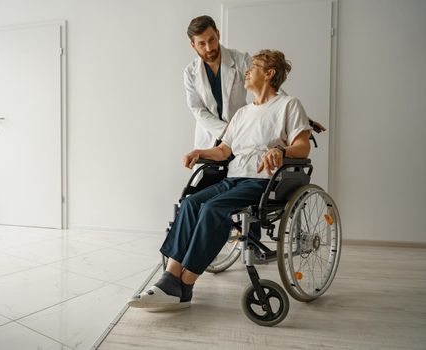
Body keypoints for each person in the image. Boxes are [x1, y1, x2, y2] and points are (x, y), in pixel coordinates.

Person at [128, 49, 312, 311]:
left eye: (254, 67)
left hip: (262, 182)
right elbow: (225, 151)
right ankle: (169, 278)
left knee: (213, 209)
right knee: (191, 203)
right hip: (234, 177)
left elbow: (303, 147)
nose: (246, 72)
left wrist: (280, 151)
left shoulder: (288, 105)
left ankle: (185, 285)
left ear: (269, 74)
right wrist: (200, 152)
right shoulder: (243, 113)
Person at [184, 15, 324, 241]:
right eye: (202, 43)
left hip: (247, 133)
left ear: (218, 34)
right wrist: (229, 132)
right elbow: (198, 110)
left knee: (249, 181)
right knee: (200, 195)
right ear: (193, 45)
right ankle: (211, 236)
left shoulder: (241, 60)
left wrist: (302, 118)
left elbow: (271, 91)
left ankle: (250, 240)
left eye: (211, 40)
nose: (209, 47)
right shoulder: (190, 73)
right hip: (218, 134)